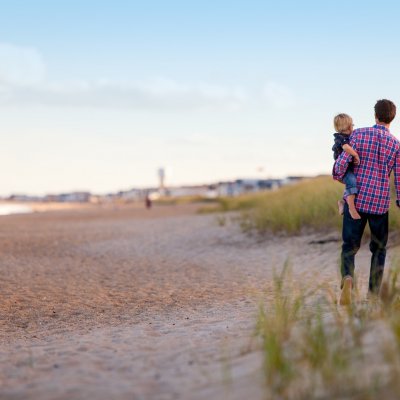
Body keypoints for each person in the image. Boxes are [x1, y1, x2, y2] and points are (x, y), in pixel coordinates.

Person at [334, 99, 400, 305]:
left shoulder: (358, 134)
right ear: (392, 118)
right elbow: (398, 178)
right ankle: (372, 296)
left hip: (357, 199)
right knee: (379, 249)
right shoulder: (396, 145)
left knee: (349, 247)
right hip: (380, 203)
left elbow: (339, 168)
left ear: (375, 116)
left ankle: (348, 279)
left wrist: (340, 172)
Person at [332, 113, 361, 220]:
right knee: (352, 181)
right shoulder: (340, 138)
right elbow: (346, 148)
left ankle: (342, 202)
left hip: (349, 168)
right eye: (352, 125)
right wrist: (355, 155)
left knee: (352, 184)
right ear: (349, 126)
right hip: (343, 170)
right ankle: (351, 209)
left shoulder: (350, 137)